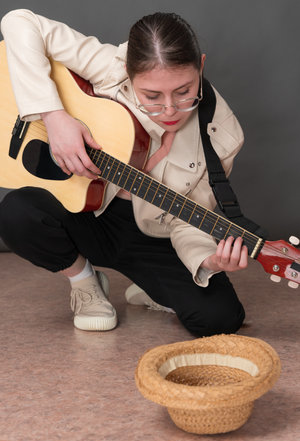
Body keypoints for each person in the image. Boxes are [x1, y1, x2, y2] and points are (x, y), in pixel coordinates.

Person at [0, 9, 247, 336]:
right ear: (129, 75)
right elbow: (18, 22)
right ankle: (84, 282)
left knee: (221, 319)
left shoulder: (222, 136)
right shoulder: (110, 66)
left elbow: (190, 219)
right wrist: (54, 117)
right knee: (17, 212)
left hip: (152, 232)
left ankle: (151, 286)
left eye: (184, 91)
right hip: (86, 214)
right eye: (152, 96)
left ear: (200, 66)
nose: (170, 110)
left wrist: (208, 261)